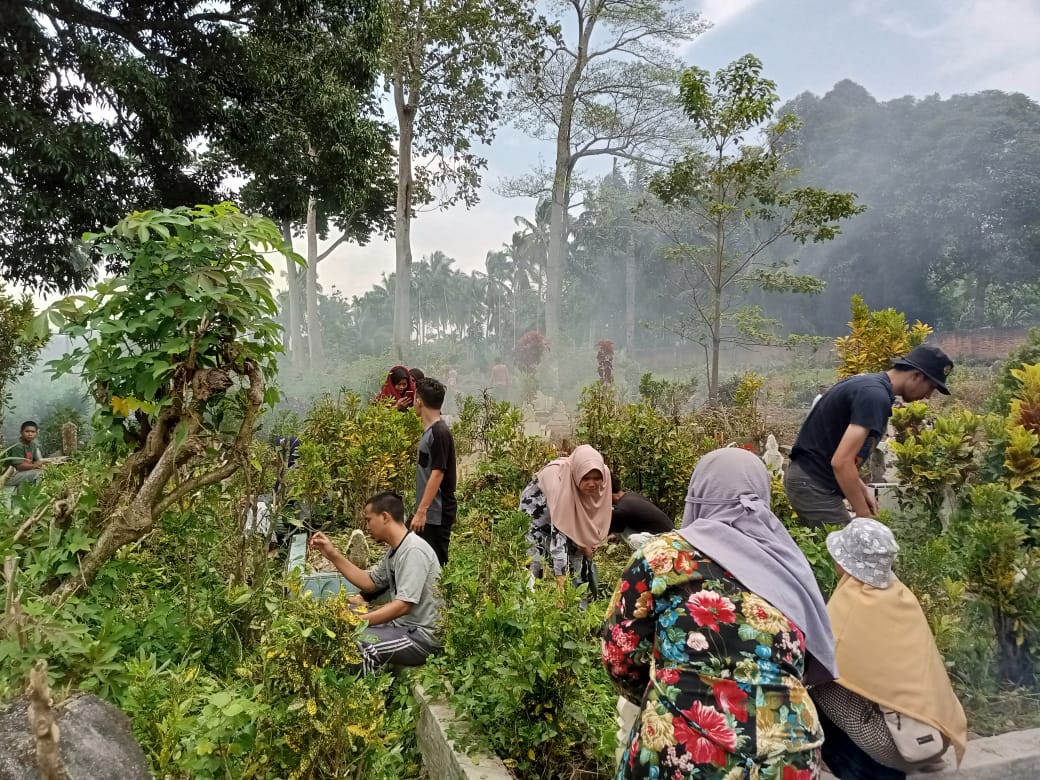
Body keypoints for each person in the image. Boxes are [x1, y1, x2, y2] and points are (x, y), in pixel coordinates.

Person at [602, 448, 837, 780]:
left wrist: (669, 688)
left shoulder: (662, 558)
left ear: (698, 494)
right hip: (790, 753)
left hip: (684, 745)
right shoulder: (789, 568)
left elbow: (619, 657)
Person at [812, 518, 967, 779]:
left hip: (894, 748)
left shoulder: (852, 603)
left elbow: (822, 662)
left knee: (815, 684)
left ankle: (851, 766)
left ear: (847, 561)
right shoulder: (900, 594)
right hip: (934, 733)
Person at [785, 344, 954, 527]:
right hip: (812, 483)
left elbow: (833, 449)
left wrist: (861, 487)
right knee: (854, 550)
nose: (928, 396)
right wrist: (863, 515)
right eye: (931, 387)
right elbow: (841, 462)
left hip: (811, 480)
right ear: (916, 376)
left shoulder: (872, 387)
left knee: (843, 548)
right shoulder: (874, 395)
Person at [309, 491, 442, 675]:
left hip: (420, 637)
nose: (366, 526)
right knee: (343, 613)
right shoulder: (396, 550)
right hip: (402, 627)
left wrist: (360, 622)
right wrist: (332, 554)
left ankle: (365, 698)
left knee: (362, 644)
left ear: (385, 517)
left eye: (368, 520)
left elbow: (403, 606)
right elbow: (370, 583)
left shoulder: (413, 550)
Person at [522, 445, 612, 593]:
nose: (592, 484)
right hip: (538, 515)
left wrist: (585, 542)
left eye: (596, 478)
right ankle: (529, 606)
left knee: (577, 557)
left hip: (570, 506)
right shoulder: (562, 491)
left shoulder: (605, 475)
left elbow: (590, 514)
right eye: (586, 478)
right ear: (577, 475)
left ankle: (579, 603)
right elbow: (559, 542)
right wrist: (560, 587)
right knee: (535, 560)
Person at [410, 377, 457, 566]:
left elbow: (438, 473)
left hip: (436, 512)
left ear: (419, 400)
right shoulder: (431, 431)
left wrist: (422, 511)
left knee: (437, 563)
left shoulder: (439, 433)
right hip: (427, 511)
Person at [608, 473, 673, 550]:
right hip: (669, 537)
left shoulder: (623, 508)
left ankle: (650, 559)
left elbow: (603, 529)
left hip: (667, 544)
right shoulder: (630, 497)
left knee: (635, 540)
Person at [6, 421, 46, 488]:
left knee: (44, 470)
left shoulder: (33, 444)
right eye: (27, 431)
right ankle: (38, 495)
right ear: (21, 432)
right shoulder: (17, 445)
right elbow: (20, 466)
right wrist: (36, 465)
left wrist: (42, 463)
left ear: (36, 433)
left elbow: (36, 461)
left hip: (22, 473)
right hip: (10, 477)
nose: (30, 434)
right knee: (39, 473)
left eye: (33, 432)